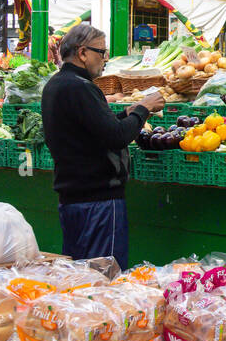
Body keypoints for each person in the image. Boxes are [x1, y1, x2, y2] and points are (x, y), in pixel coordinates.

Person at [41, 23, 165, 268]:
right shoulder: (80, 87)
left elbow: (91, 131)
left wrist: (126, 114)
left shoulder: (55, 86)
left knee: (80, 276)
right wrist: (143, 108)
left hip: (72, 199)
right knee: (104, 276)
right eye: (101, 52)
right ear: (82, 52)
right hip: (98, 201)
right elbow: (115, 137)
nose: (105, 58)